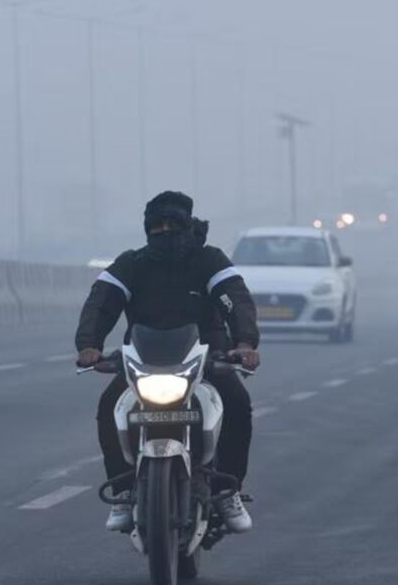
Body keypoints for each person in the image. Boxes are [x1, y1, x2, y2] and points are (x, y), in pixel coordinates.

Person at [75, 191, 260, 534]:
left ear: (188, 225)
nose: (165, 231)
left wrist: (245, 343)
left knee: (237, 401)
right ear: (147, 230)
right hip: (143, 361)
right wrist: (89, 345)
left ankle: (227, 491)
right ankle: (123, 491)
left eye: (173, 224)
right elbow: (101, 303)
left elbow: (236, 300)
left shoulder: (210, 261)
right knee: (109, 405)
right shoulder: (133, 263)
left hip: (206, 358)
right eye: (157, 226)